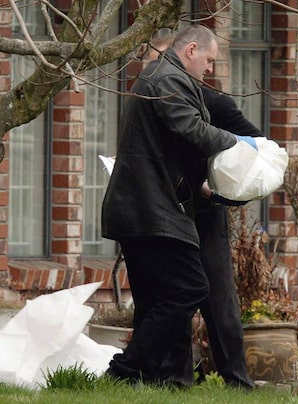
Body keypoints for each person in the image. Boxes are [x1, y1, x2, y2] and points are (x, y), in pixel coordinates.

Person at [101, 24, 257, 387]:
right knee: (190, 287)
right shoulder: (168, 79)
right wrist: (238, 144)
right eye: (209, 60)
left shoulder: (162, 77)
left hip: (145, 208)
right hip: (152, 209)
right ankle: (126, 369)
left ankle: (144, 376)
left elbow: (174, 148)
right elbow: (192, 129)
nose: (210, 69)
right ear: (191, 50)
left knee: (157, 297)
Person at [146, 28, 257, 388]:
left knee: (218, 297)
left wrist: (220, 186)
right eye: (152, 63)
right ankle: (177, 379)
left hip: (204, 212)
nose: (156, 71)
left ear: (185, 52)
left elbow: (254, 144)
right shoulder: (150, 98)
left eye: (161, 61)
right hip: (167, 210)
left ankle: (236, 379)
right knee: (175, 295)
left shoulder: (213, 102)